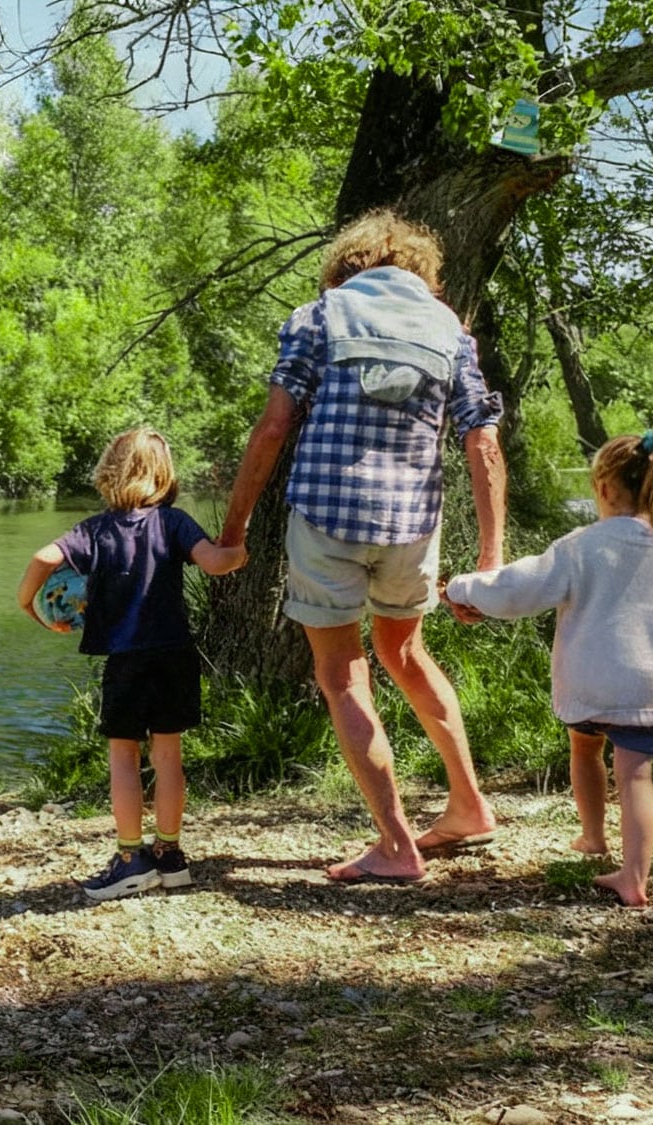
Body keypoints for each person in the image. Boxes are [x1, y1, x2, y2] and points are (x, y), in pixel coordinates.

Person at [217, 209, 507, 885]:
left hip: (327, 518)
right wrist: (491, 560)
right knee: (404, 652)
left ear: (347, 265)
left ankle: (397, 845)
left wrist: (232, 532)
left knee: (344, 673)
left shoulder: (320, 316)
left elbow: (272, 429)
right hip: (412, 525)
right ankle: (468, 804)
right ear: (419, 272)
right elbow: (482, 440)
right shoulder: (450, 331)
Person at [445, 429, 653, 907]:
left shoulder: (582, 545)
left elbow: (518, 590)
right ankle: (634, 878)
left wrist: (463, 588)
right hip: (650, 684)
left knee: (585, 751)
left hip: (589, 679)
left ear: (603, 488)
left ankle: (593, 836)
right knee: (636, 778)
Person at [16, 428, 246, 901]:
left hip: (126, 661)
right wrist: (238, 552)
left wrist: (29, 606)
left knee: (124, 756)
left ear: (109, 472)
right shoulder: (175, 523)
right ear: (164, 474)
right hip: (175, 655)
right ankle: (170, 855)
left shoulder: (94, 530)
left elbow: (44, 557)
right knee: (169, 756)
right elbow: (215, 563)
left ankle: (129, 859)